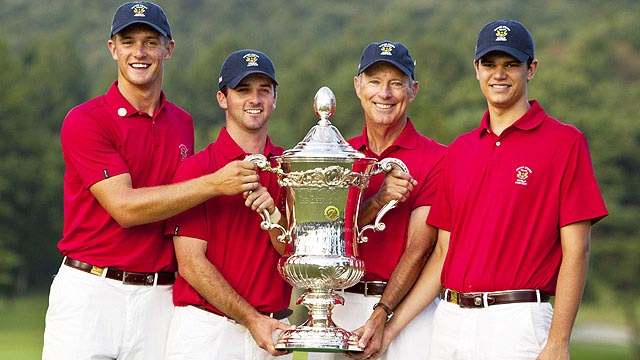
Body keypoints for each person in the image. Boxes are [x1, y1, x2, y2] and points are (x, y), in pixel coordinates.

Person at [43, 3, 264, 359]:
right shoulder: (86, 120)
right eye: (128, 42)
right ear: (113, 49)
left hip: (158, 298)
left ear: (168, 49)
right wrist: (213, 184)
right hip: (90, 292)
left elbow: (180, 209)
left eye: (150, 41)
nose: (139, 52)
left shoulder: (181, 122)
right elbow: (125, 208)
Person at [379, 19, 609, 359]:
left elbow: (577, 252)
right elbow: (442, 255)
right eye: (489, 64)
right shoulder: (459, 150)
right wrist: (391, 328)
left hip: (517, 321)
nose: (498, 74)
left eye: (510, 65)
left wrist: (559, 341)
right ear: (477, 69)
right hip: (450, 320)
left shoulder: (565, 143)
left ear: (531, 69)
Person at [309, 41, 447, 360]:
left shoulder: (438, 159)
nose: (384, 93)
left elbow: (419, 247)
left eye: (396, 83)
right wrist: (381, 197)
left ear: (413, 90)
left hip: (408, 311)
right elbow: (329, 237)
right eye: (374, 81)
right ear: (358, 87)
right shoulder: (339, 156)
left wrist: (382, 313)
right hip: (338, 301)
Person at [163, 49, 294, 360]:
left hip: (274, 330)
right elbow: (192, 265)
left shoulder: (289, 169)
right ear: (223, 98)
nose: (255, 99)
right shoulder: (197, 169)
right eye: (243, 90)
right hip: (209, 332)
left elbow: (293, 254)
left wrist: (273, 214)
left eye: (264, 90)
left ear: (275, 99)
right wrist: (251, 320)